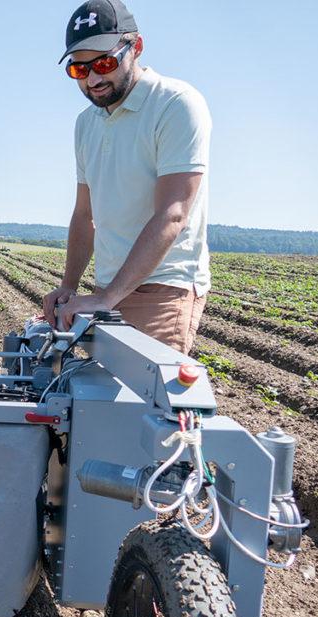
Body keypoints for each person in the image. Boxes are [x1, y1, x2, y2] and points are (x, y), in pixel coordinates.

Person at [43, 0, 212, 354]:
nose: (93, 79)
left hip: (162, 291)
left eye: (104, 63)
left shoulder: (176, 104)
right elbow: (84, 215)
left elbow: (174, 213)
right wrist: (70, 286)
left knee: (142, 404)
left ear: (135, 47)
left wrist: (107, 298)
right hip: (108, 290)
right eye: (79, 69)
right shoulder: (86, 123)